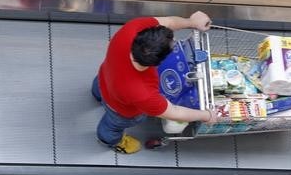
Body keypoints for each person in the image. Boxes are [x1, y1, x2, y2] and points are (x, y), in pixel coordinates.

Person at [92, 11, 216, 154]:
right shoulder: (143, 93)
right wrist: (206, 115)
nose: (175, 41)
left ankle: (96, 95)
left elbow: (168, 21)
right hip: (120, 110)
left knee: (100, 88)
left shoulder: (130, 29)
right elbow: (173, 112)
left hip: (104, 77)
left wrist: (191, 22)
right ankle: (110, 140)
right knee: (112, 126)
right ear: (159, 62)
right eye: (173, 45)